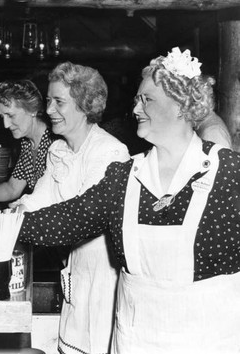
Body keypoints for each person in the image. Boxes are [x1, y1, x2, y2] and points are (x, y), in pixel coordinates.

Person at [19, 47, 240, 353]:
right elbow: (64, 221)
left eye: (146, 99)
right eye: (137, 99)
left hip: (207, 341)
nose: (135, 109)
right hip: (137, 340)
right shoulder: (124, 177)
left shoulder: (225, 171)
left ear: (180, 105)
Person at [14, 63, 129, 354]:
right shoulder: (58, 150)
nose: (49, 109)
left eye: (59, 102)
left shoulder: (109, 152)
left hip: (105, 276)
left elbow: (80, 216)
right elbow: (38, 199)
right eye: (49, 100)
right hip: (75, 268)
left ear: (85, 105)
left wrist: (17, 226)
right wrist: (8, 217)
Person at [0, 80, 55, 205]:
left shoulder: (55, 143)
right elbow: (11, 189)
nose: (6, 125)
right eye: (2, 117)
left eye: (11, 115)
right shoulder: (28, 144)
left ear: (32, 110)